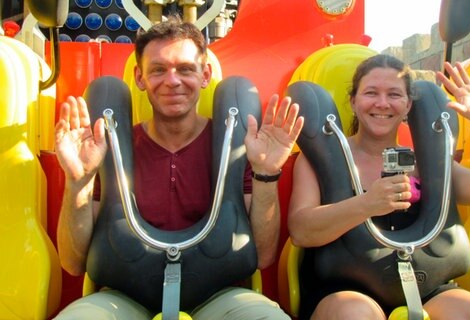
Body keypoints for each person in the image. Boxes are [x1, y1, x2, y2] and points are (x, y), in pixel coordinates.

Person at [54, 16, 303, 319]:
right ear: (140, 77)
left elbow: (263, 256)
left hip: (218, 294)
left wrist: (267, 172)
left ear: (205, 75)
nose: (172, 81)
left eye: (185, 69)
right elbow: (72, 261)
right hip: (124, 295)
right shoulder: (110, 148)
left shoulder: (235, 147)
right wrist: (77, 181)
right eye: (158, 70)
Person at [287, 54, 470, 320]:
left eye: (394, 95)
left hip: (424, 282)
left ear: (408, 106)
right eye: (371, 93)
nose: (382, 103)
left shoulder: (427, 162)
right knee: (355, 315)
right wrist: (367, 203)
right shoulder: (321, 159)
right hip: (344, 286)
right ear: (353, 101)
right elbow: (301, 230)